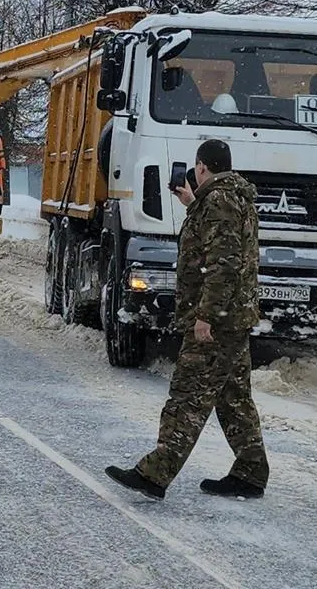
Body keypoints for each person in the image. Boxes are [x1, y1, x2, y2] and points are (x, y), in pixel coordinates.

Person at [105, 139, 269, 500]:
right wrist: (192, 204)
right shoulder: (232, 198)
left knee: (188, 395)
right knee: (234, 397)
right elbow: (225, 245)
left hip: (218, 321)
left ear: (202, 167)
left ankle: (155, 474)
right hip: (234, 317)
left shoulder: (219, 201)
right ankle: (251, 470)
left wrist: (206, 316)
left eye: (196, 168)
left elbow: (223, 265)